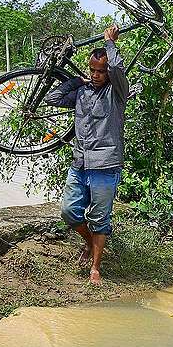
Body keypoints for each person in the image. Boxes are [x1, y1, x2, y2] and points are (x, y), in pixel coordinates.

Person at [45, 25, 128, 285]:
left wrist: (110, 44)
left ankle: (95, 267)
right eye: (92, 70)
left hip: (106, 166)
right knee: (69, 211)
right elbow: (52, 98)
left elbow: (117, 71)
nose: (96, 75)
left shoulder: (117, 94)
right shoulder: (82, 93)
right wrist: (75, 80)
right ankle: (91, 243)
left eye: (100, 71)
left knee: (100, 218)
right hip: (79, 163)